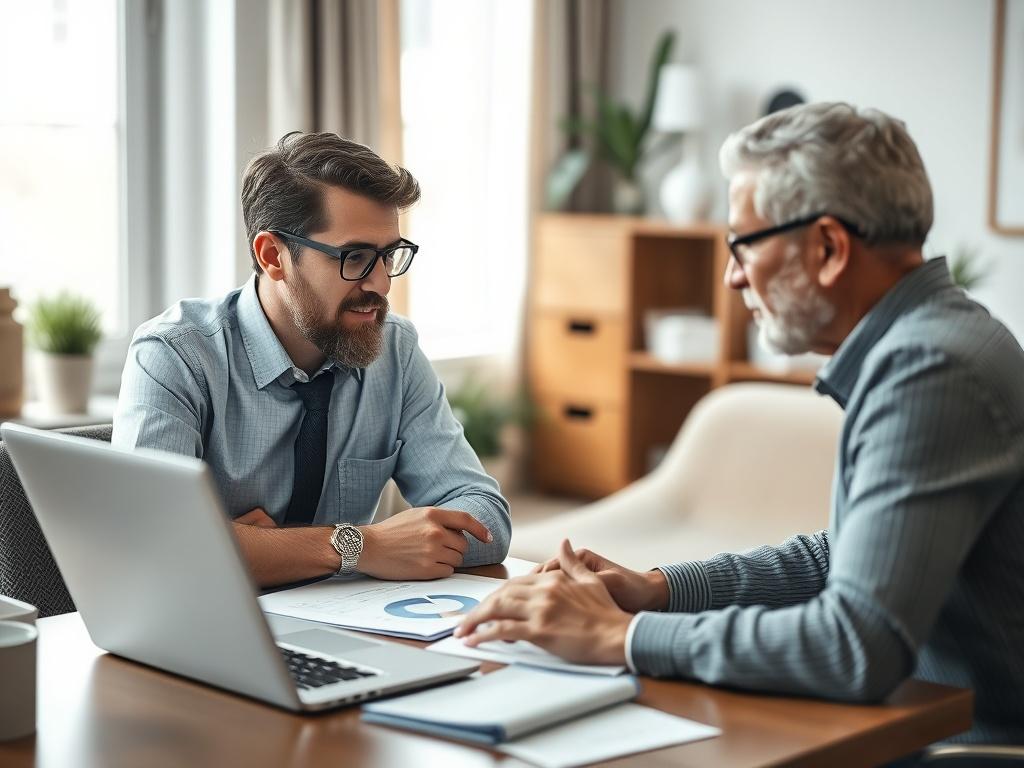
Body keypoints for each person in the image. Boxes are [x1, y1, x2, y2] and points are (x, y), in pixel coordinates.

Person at [456, 102, 1024, 745]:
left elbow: (853, 647)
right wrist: (659, 590)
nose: (730, 276)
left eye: (743, 244)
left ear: (830, 248)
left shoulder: (929, 370)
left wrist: (617, 635)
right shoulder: (943, 338)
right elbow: (846, 553)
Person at [113, 132, 510, 587]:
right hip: (207, 634)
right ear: (273, 256)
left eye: (389, 256)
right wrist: (362, 546)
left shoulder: (394, 349)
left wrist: (251, 545)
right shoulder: (175, 356)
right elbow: (155, 545)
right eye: (355, 257)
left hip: (351, 624)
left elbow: (486, 520)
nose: (381, 283)